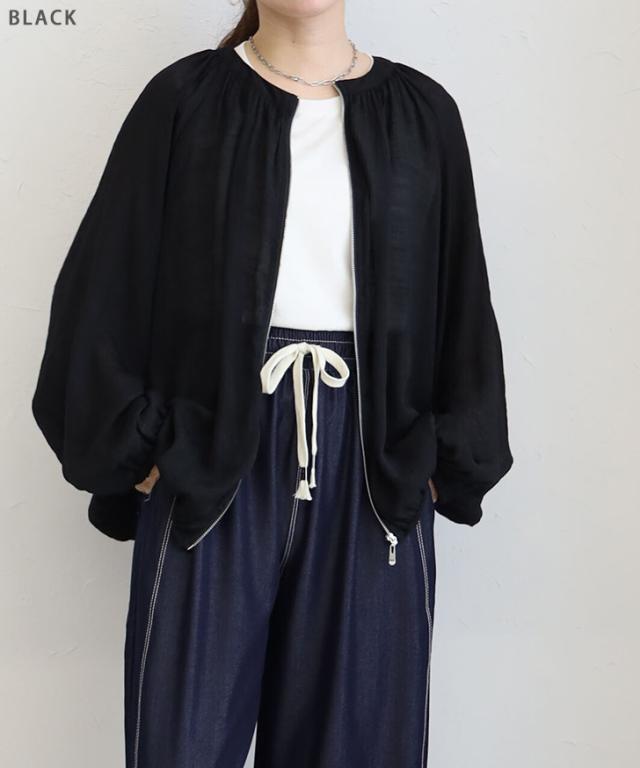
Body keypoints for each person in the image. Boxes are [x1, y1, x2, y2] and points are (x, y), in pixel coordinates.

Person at [31, 2, 514, 766]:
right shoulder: (185, 100)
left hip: (375, 474)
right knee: (184, 748)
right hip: (209, 463)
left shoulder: (423, 115)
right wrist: (144, 447)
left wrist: (443, 456)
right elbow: (102, 288)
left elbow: (462, 305)